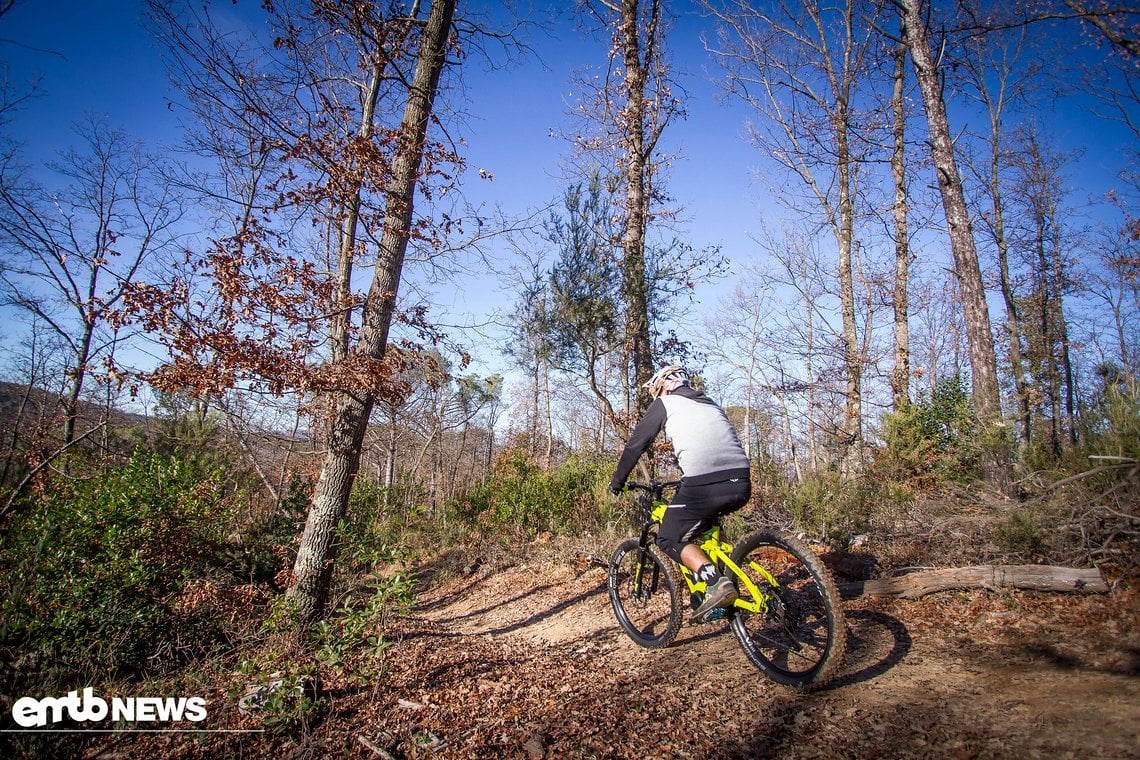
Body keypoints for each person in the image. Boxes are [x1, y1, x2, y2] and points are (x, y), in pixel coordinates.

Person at [609, 365, 751, 621]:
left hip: (705, 484)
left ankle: (715, 582)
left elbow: (635, 445)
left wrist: (618, 481)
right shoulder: (710, 404)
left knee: (668, 538)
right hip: (741, 480)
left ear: (663, 385)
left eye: (654, 389)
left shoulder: (666, 402)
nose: (654, 394)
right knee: (703, 530)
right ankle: (719, 596)